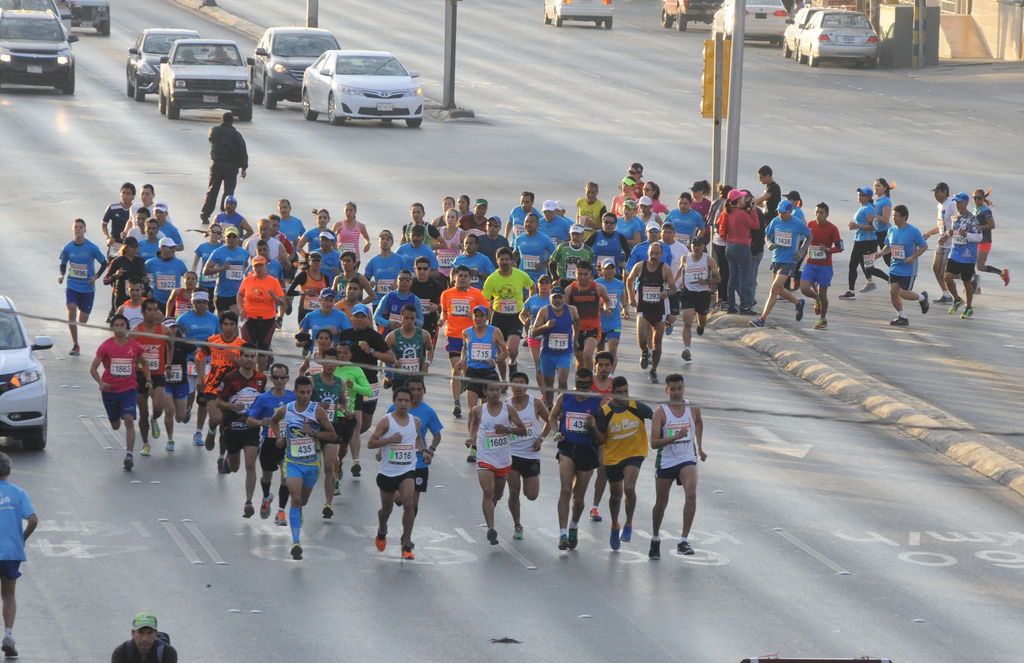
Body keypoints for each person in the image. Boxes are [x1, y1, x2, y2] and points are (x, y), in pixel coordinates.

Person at [271, 376, 337, 560]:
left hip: (311, 464)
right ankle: (296, 542)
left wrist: (314, 433)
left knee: (303, 501)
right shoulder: (287, 409)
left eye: (308, 392)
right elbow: (274, 421)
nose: (306, 396)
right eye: (302, 392)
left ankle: (298, 511)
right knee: (296, 498)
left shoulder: (317, 411)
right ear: (295, 392)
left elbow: (332, 435)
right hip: (292, 462)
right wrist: (279, 437)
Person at [649, 373, 706, 559]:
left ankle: (683, 541)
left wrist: (700, 447)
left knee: (691, 494)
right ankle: (655, 538)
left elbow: (699, 423)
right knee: (661, 504)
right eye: (672, 389)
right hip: (666, 461)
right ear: (667, 390)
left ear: (684, 388)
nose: (676, 392)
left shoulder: (693, 408)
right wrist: (675, 437)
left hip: (687, 459)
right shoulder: (660, 412)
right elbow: (654, 443)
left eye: (680, 388)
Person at [549, 368, 606, 551]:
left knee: (578, 497)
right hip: (567, 447)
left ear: (590, 384)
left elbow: (603, 436)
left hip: (587, 450)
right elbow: (552, 416)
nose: (580, 389)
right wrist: (556, 431)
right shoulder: (565, 397)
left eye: (585, 386)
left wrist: (594, 426)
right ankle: (562, 534)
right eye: (578, 385)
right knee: (565, 489)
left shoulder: (599, 401)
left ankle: (573, 525)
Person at [367, 387, 427, 560]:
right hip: (388, 472)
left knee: (409, 503)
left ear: (411, 403)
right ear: (394, 401)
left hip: (407, 470)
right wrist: (389, 440)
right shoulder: (386, 421)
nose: (403, 404)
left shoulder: (415, 421)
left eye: (406, 401)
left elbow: (417, 437)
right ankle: (382, 529)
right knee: (386, 510)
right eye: (399, 400)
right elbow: (371, 443)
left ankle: (406, 544)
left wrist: (423, 451)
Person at [466, 382, 527, 544]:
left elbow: (523, 430)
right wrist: (471, 438)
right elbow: (474, 423)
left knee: (497, 495)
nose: (495, 393)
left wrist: (507, 430)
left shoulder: (509, 410)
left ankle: (492, 506)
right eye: (491, 390)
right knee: (488, 491)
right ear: (484, 391)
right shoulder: (478, 410)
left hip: (503, 460)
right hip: (485, 458)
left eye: (497, 390)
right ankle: (491, 528)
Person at [336, 304, 395, 472]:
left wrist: (371, 351)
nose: (360, 319)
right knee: (356, 421)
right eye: (357, 316)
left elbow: (391, 358)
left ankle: (345, 441)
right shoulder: (345, 334)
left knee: (366, 424)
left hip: (369, 383)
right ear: (352, 318)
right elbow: (337, 354)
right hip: (350, 385)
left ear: (368, 318)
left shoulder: (374, 336)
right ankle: (354, 459)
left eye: (363, 317)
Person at [597, 377, 653, 551]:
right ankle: (615, 525)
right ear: (612, 392)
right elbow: (602, 439)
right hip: (613, 457)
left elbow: (658, 417)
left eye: (626, 391)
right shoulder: (605, 412)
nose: (624, 395)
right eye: (619, 392)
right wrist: (592, 427)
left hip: (635, 454)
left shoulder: (638, 407)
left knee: (629, 487)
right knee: (616, 496)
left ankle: (629, 524)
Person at [91, 315, 151, 471]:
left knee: (129, 420)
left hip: (129, 389)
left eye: (122, 325)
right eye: (116, 325)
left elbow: (144, 362)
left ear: (127, 327)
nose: (119, 328)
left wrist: (149, 380)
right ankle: (116, 414)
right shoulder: (106, 346)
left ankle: (129, 455)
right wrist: (101, 383)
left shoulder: (135, 346)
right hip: (110, 391)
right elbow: (93, 368)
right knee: (115, 425)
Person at [216, 345, 267, 516]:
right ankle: (228, 461)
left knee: (250, 464)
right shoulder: (230, 378)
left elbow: (263, 401)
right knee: (235, 467)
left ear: (256, 358)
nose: (249, 359)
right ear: (240, 357)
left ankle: (248, 502)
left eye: (252, 356)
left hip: (251, 427)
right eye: (246, 356)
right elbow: (218, 402)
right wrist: (232, 406)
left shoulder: (261, 378)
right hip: (232, 427)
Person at [457, 306, 510, 463]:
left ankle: (487, 441)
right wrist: (462, 360)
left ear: (487, 317)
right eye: (476, 316)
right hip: (472, 373)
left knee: (486, 410)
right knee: (472, 410)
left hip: (489, 373)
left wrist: (496, 359)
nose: (478, 318)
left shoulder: (495, 332)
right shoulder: (467, 332)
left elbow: (506, 352)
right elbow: (465, 348)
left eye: (482, 316)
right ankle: (473, 445)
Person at [245, 362, 295, 523]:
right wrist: (260, 422)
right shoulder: (263, 398)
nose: (279, 380)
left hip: (287, 443)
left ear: (287, 379)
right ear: (271, 379)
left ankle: (281, 511)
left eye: (282, 377)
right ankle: (266, 497)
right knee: (267, 477)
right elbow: (249, 420)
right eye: (276, 377)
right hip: (268, 442)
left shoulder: (293, 398)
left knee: (286, 477)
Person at [384, 376, 442, 515]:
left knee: (412, 502)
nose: (416, 392)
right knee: (399, 499)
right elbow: (385, 431)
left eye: (419, 389)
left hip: (418, 462)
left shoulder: (428, 411)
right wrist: (381, 450)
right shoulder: (394, 408)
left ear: (424, 391)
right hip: (397, 460)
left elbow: (437, 434)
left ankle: (408, 528)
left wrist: (431, 449)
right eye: (412, 389)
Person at [750, 200, 811, 327]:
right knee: (779, 289)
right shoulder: (775, 221)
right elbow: (767, 235)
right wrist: (769, 243)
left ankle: (762, 319)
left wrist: (801, 251)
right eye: (779, 211)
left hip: (789, 261)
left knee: (774, 289)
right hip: (776, 259)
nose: (780, 214)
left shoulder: (797, 223)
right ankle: (798, 303)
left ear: (790, 211)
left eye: (783, 212)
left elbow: (809, 236)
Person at [438, 266, 489, 419]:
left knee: (467, 369)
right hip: (453, 336)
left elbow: (487, 311)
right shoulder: (446, 294)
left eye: (466, 276)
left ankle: (463, 385)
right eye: (460, 276)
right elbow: (445, 311)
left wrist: (475, 317)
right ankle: (457, 403)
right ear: (454, 277)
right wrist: (442, 320)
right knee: (456, 368)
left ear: (470, 279)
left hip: (471, 337)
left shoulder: (477, 294)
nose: (462, 279)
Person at [194, 311, 245, 462]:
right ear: (221, 325)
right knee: (216, 419)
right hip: (213, 386)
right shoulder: (212, 340)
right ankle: (211, 430)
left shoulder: (242, 344)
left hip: (232, 390)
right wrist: (201, 376)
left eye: (232, 324)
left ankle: (222, 458)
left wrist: (235, 360)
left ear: (236, 326)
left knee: (226, 428)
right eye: (225, 324)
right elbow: (199, 357)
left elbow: (248, 367)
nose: (229, 328)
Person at [0, 453, 35, 659]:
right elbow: (33, 519)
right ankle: (8, 636)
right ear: (9, 470)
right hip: (10, 552)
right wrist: (21, 539)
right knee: (8, 593)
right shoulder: (18, 493)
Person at [505, 372, 549, 540]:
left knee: (531, 495)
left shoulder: (535, 403)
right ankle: (517, 524)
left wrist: (541, 438)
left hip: (531, 455)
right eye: (515, 383)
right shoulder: (505, 405)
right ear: (511, 386)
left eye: (521, 383)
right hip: (512, 454)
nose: (518, 387)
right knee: (513, 490)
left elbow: (550, 420)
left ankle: (526, 488)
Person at [174, 291, 221, 446]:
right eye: (198, 302)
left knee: (203, 398)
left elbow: (220, 339)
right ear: (192, 303)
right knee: (190, 395)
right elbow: (176, 338)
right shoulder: (183, 319)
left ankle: (198, 432)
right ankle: (186, 408)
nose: (201, 305)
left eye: (204, 303)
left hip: (207, 362)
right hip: (189, 360)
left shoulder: (214, 319)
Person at [626, 243, 676, 384]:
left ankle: (653, 370)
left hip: (659, 309)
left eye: (656, 254)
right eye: (651, 253)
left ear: (661, 254)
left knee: (657, 342)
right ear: (648, 253)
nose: (653, 256)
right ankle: (644, 351)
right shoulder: (640, 266)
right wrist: (630, 297)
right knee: (642, 338)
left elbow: (673, 288)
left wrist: (667, 292)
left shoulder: (665, 269)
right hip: (644, 307)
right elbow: (629, 280)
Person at [873, 205, 930, 326]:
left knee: (904, 293)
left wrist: (912, 257)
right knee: (893, 291)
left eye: (896, 216)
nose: (894, 218)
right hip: (895, 267)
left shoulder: (913, 231)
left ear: (904, 217)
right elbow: (888, 246)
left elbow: (924, 246)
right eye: (893, 216)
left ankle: (922, 297)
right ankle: (902, 316)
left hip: (908, 269)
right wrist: (880, 253)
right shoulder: (891, 230)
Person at [58, 218, 108, 355]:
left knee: (83, 320)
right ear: (73, 230)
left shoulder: (92, 248)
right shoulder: (67, 248)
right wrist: (62, 275)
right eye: (76, 227)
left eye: (81, 227)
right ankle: (75, 345)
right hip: (72, 286)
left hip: (87, 288)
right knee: (71, 311)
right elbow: (63, 264)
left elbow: (104, 263)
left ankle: (79, 325)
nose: (78, 229)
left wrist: (96, 276)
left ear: (85, 230)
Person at [482, 247, 532, 382]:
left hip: (515, 317)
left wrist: (530, 305)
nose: (504, 262)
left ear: (511, 261)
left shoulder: (520, 275)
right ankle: (504, 380)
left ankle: (513, 362)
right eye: (502, 259)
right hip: (498, 317)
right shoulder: (492, 279)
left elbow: (532, 286)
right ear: (497, 261)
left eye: (507, 259)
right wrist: (486, 311)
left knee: (512, 349)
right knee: (500, 353)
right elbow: (484, 299)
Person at [310, 348, 348, 518]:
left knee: (329, 465)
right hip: (313, 427)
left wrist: (345, 410)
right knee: (311, 467)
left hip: (332, 427)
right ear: (322, 362)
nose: (331, 365)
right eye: (328, 362)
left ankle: (328, 503)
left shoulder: (340, 383)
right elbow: (303, 402)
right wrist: (317, 405)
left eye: (334, 362)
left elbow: (341, 402)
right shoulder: (313, 380)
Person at [132, 299, 173, 456]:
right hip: (140, 375)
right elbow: (129, 353)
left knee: (158, 408)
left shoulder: (165, 331)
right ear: (142, 312)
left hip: (158, 375)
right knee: (142, 412)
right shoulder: (136, 332)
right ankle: (146, 444)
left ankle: (154, 419)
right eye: (149, 309)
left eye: (155, 310)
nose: (153, 313)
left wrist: (168, 365)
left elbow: (171, 347)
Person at [332, 340, 374, 486]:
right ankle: (335, 479)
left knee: (342, 448)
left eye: (345, 353)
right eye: (339, 353)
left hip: (347, 416)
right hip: (331, 416)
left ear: (350, 355)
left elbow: (368, 391)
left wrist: (353, 386)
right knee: (331, 447)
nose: (342, 355)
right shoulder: (329, 368)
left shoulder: (356, 370)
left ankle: (340, 462)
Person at [530, 286, 579, 406]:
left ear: (564, 298)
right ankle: (550, 407)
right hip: (548, 353)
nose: (557, 301)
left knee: (562, 380)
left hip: (565, 352)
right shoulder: (544, 311)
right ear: (550, 299)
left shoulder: (572, 310)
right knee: (549, 383)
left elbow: (577, 320)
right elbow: (533, 332)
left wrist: (576, 339)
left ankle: (562, 406)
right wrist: (546, 326)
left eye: (560, 298)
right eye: (554, 298)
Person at [237, 256, 286, 371]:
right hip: (249, 318)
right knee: (249, 348)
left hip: (267, 320)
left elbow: (282, 301)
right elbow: (239, 294)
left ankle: (260, 374)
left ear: (266, 266)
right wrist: (240, 309)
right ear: (252, 268)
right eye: (256, 266)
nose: (259, 268)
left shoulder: (273, 281)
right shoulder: (247, 280)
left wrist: (274, 296)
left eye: (261, 265)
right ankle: (250, 372)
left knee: (263, 349)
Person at [799, 203, 844, 330]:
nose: (818, 215)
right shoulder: (810, 225)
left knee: (823, 293)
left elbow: (840, 248)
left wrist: (828, 249)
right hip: (811, 264)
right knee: (804, 288)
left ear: (827, 214)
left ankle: (823, 319)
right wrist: (802, 251)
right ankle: (817, 298)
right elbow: (806, 241)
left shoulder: (832, 228)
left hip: (825, 267)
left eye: (821, 213)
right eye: (817, 212)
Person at [840, 187, 889, 300]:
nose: (860, 196)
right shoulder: (862, 208)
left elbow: (873, 227)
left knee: (870, 268)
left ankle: (890, 280)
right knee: (853, 265)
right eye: (859, 194)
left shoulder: (869, 208)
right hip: (859, 240)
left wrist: (856, 226)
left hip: (868, 242)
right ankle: (851, 291)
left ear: (868, 197)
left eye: (862, 195)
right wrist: (853, 227)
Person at [676, 237, 720, 360]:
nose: (696, 248)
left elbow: (718, 278)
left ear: (703, 247)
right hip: (688, 293)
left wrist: (706, 281)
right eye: (694, 245)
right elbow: (680, 271)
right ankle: (687, 349)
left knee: (702, 321)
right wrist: (673, 283)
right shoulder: (685, 258)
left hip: (703, 294)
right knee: (687, 322)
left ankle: (701, 326)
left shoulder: (709, 260)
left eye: (699, 245)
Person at [201, 112, 248, 224]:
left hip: (216, 165)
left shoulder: (214, 131)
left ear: (222, 120)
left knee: (212, 190)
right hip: (231, 166)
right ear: (232, 121)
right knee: (228, 192)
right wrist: (243, 168)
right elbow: (242, 151)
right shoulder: (236, 135)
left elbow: (210, 138)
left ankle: (205, 215)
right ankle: (225, 212)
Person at [564, 261, 611, 373]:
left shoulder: (598, 288)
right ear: (575, 273)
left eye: (585, 274)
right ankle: (581, 380)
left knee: (588, 354)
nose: (582, 277)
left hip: (593, 328)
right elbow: (566, 309)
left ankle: (590, 379)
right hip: (577, 330)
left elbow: (607, 300)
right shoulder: (569, 290)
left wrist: (606, 309)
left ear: (590, 273)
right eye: (580, 274)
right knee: (580, 362)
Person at [943, 193, 983, 319]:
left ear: (966, 203)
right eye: (956, 202)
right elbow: (955, 232)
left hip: (968, 254)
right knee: (947, 277)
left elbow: (979, 237)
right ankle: (957, 299)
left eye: (960, 202)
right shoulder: (955, 217)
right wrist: (948, 235)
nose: (957, 204)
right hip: (955, 252)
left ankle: (969, 307)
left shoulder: (972, 219)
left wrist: (965, 234)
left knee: (966, 282)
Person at [720, 189, 759, 314]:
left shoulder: (728, 212)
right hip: (741, 247)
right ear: (738, 201)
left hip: (729, 246)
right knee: (744, 278)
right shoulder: (741, 214)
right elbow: (756, 225)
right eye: (742, 198)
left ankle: (731, 305)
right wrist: (754, 212)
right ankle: (744, 306)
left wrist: (749, 212)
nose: (744, 200)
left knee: (732, 277)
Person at [923, 183, 957, 304]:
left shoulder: (951, 205)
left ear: (944, 192)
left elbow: (956, 225)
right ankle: (946, 294)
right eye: (934, 192)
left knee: (944, 272)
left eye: (937, 192)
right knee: (935, 268)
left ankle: (971, 278)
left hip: (950, 243)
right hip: (941, 242)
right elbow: (941, 226)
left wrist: (946, 236)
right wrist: (930, 233)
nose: (935, 195)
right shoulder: (940, 206)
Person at [385, 304, 434, 389]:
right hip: (398, 378)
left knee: (417, 397)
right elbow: (384, 353)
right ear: (401, 318)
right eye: (406, 318)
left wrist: (427, 362)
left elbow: (430, 349)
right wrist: (392, 363)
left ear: (416, 319)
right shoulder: (392, 336)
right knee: (399, 398)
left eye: (412, 318)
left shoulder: (424, 334)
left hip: (417, 379)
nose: (409, 321)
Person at [203, 226, 250, 314]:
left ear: (238, 238)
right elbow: (206, 271)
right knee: (222, 321)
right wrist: (221, 268)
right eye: (229, 236)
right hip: (221, 292)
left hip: (237, 293)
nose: (231, 239)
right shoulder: (218, 252)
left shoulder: (244, 253)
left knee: (233, 319)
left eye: (234, 236)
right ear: (225, 238)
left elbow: (247, 269)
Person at [971, 188, 1009, 291]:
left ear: (983, 198)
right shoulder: (975, 209)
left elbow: (992, 225)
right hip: (976, 240)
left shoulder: (985, 211)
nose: (976, 200)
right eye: (974, 198)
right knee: (969, 263)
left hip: (985, 241)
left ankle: (1002, 273)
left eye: (979, 198)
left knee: (980, 267)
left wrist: (978, 228)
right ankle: (974, 286)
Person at [104, 236, 148, 319]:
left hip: (138, 297)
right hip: (122, 297)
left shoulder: (140, 261)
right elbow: (105, 280)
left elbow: (143, 278)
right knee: (122, 321)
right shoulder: (117, 261)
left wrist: (146, 282)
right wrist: (116, 275)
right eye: (132, 247)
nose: (135, 249)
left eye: (137, 247)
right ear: (126, 248)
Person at [110, 613, 178, 663]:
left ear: (155, 633)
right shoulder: (121, 652)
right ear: (133, 633)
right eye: (141, 633)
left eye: (150, 633)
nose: (145, 639)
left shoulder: (167, 652)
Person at [145, 239, 189, 317]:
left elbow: (189, 278)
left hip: (174, 302)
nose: (173, 250)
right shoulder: (151, 263)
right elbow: (141, 275)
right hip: (157, 301)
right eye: (170, 248)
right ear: (162, 248)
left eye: (174, 248)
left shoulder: (180, 263)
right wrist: (147, 288)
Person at [364, 230, 410, 303]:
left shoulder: (400, 259)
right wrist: (369, 285)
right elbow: (364, 280)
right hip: (378, 300)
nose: (385, 241)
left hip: (396, 298)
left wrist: (398, 285)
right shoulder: (372, 261)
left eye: (388, 239)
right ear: (379, 242)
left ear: (392, 243)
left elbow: (408, 278)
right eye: (382, 239)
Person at [511, 213, 557, 285]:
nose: (528, 224)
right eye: (526, 222)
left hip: (539, 280)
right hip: (523, 278)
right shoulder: (519, 239)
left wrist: (543, 265)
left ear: (538, 225)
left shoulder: (545, 239)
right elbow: (516, 253)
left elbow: (556, 256)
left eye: (531, 222)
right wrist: (511, 262)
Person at [596, 259, 625, 367]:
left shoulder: (619, 284)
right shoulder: (596, 284)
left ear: (615, 270)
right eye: (606, 268)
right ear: (601, 270)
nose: (609, 271)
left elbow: (622, 296)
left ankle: (610, 374)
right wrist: (602, 305)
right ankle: (600, 371)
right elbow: (591, 302)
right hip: (599, 322)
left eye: (611, 268)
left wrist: (624, 307)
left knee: (612, 349)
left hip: (614, 322)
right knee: (600, 352)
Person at [287, 252, 330, 326]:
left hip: (319, 312)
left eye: (318, 261)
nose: (316, 263)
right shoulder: (303, 276)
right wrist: (304, 292)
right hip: (304, 311)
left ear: (321, 262)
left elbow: (329, 295)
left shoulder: (325, 278)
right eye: (313, 261)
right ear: (309, 262)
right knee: (302, 333)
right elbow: (289, 292)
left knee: (318, 332)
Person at [410, 256, 445, 339]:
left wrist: (438, 307)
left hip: (431, 322)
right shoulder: (410, 284)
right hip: (413, 322)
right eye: (419, 268)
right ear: (415, 269)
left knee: (429, 345)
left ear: (429, 269)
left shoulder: (435, 284)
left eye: (425, 269)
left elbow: (446, 300)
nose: (422, 271)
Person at [585, 213, 631, 277]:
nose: (608, 225)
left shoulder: (620, 237)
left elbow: (629, 253)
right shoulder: (595, 235)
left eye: (611, 223)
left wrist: (625, 262)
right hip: (596, 274)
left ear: (615, 224)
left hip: (614, 275)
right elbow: (584, 249)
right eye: (606, 222)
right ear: (602, 223)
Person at [101, 183, 136, 258]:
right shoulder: (112, 207)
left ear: (133, 195)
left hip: (130, 247)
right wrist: (108, 237)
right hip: (114, 245)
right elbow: (103, 224)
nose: (125, 196)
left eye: (128, 193)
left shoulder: (135, 209)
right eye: (123, 193)